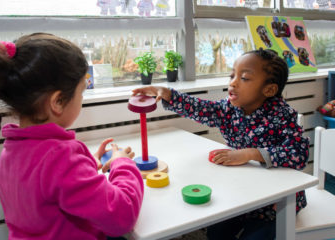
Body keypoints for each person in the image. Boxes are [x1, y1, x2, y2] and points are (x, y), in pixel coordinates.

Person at [0, 33, 144, 240]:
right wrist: (123, 164)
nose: (81, 99)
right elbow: (122, 216)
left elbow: (46, 187)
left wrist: (88, 162)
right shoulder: (60, 157)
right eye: (81, 92)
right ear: (57, 101)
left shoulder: (11, 151)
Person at [132, 48, 309, 239]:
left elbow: (299, 153)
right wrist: (167, 94)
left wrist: (250, 154)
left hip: (277, 204)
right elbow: (201, 109)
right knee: (216, 233)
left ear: (269, 89)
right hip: (242, 195)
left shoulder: (283, 115)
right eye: (232, 75)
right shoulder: (229, 109)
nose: (232, 83)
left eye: (244, 78)